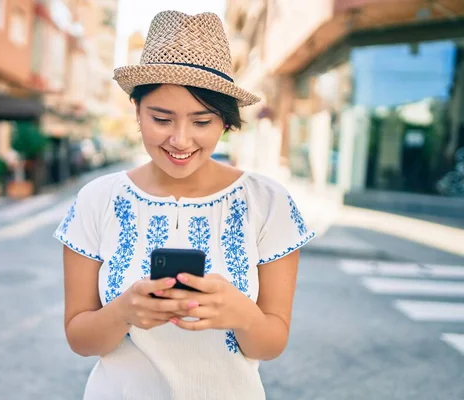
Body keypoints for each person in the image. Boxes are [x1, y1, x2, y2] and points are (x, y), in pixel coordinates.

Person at [53, 10, 315, 400]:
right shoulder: (97, 199)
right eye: (162, 118)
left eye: (202, 121)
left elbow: (271, 344)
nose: (180, 140)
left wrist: (240, 313)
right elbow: (80, 337)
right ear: (137, 112)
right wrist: (124, 311)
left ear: (225, 123)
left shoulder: (267, 202)